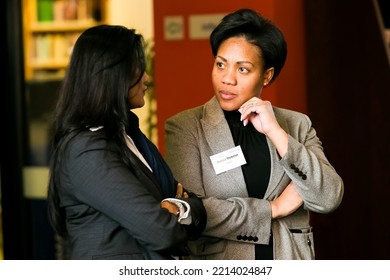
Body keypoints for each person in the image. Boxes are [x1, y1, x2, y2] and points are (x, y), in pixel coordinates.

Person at [164, 8, 344, 260]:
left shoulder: (296, 124)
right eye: (220, 64)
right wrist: (274, 209)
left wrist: (276, 131)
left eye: (243, 69)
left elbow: (328, 197)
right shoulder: (186, 127)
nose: (227, 79)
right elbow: (192, 212)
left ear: (267, 75)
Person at [46, 24, 206, 260]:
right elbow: (161, 232)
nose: (147, 78)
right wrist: (170, 209)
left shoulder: (128, 134)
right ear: (112, 76)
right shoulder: (85, 150)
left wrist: (176, 207)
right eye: (138, 69)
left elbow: (195, 205)